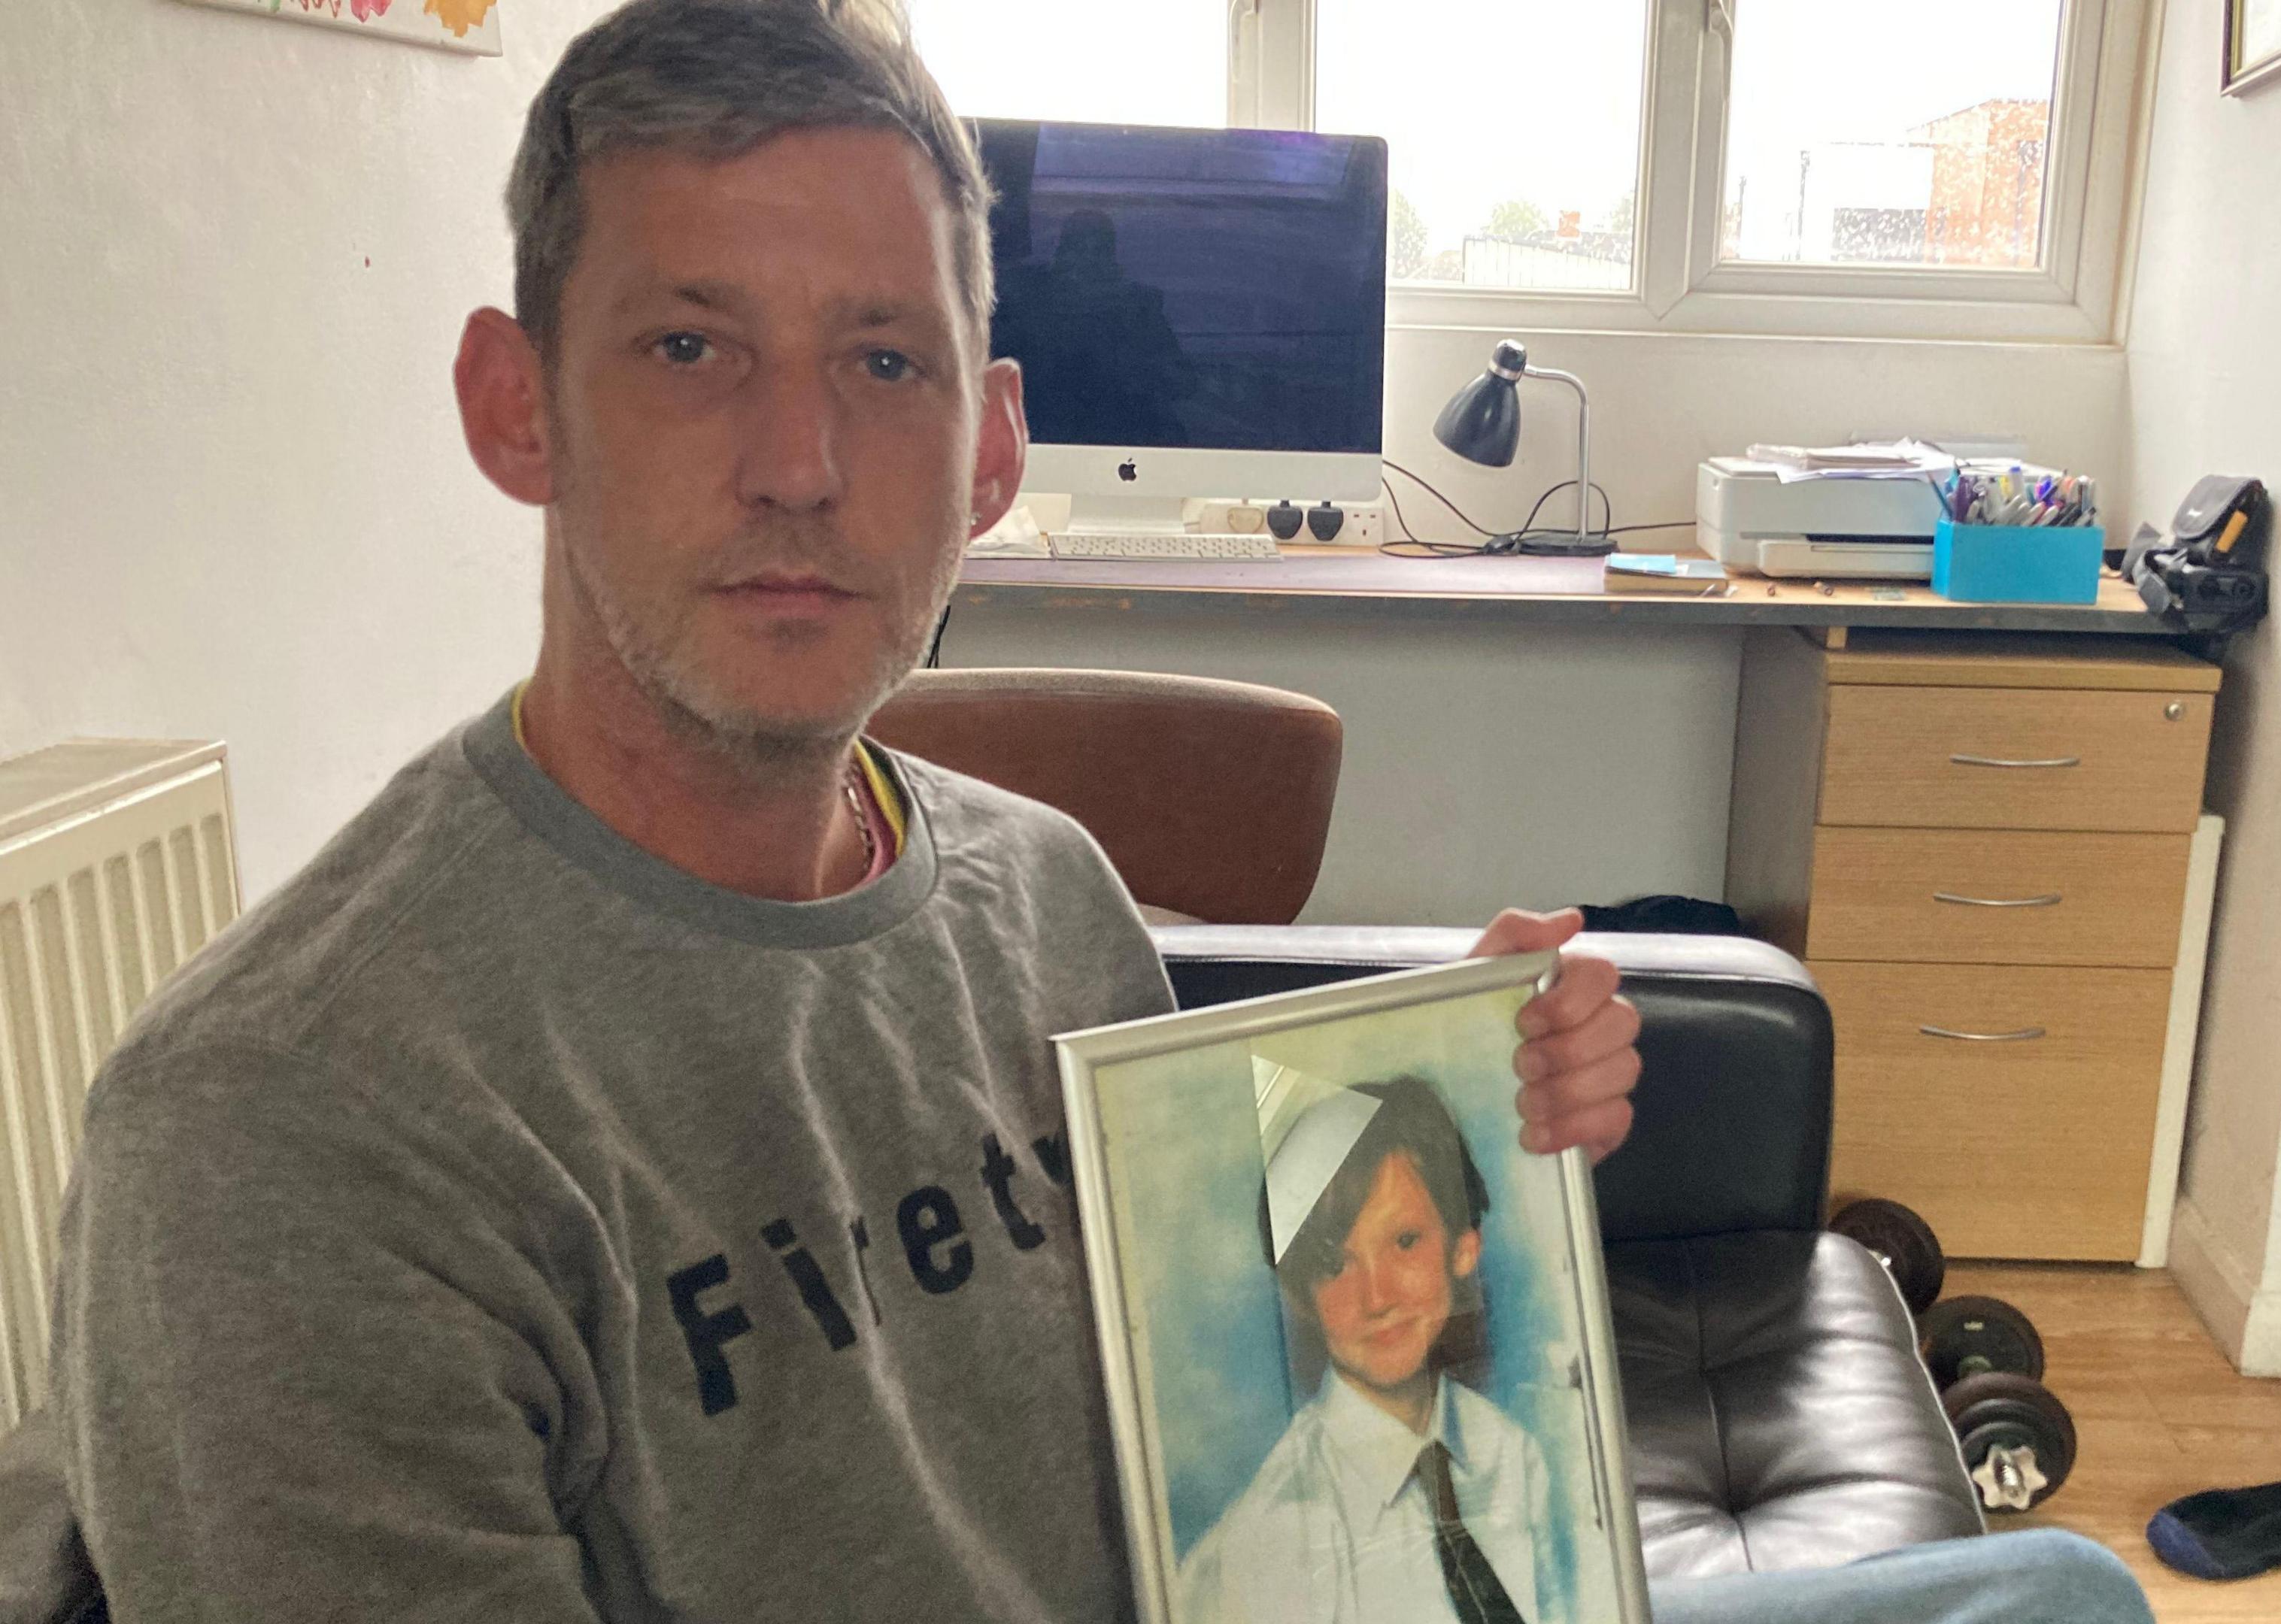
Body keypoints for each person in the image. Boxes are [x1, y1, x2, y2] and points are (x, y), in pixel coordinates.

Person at [22, 3, 2152, 1621]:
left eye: (883, 361)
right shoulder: (284, 1134)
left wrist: (1446, 1119)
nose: (796, 462)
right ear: (516, 407)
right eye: (688, 346)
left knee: (2055, 1591)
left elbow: (1237, 1393)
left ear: (987, 446)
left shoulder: (1041, 895)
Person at [1178, 1071, 1558, 1624]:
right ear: (1302, 1293)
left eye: (1404, 1242)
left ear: (1463, 1249)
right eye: (1334, 1264)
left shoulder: (1513, 1457)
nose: (1376, 1297)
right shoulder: (1268, 1540)